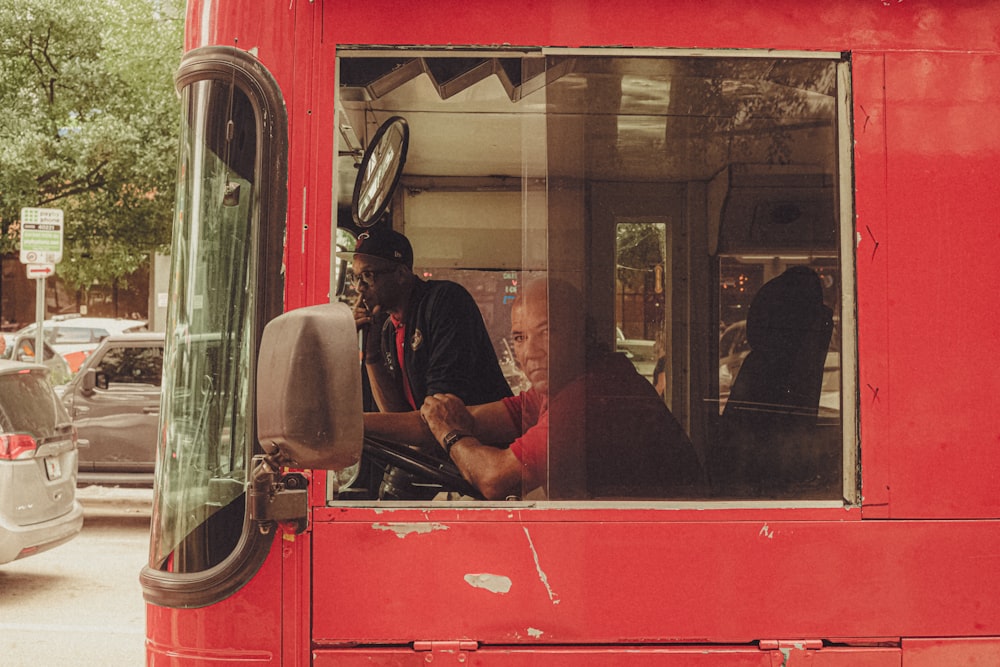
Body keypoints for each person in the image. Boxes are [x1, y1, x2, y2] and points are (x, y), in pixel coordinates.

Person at [365, 278, 705, 500]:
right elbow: (450, 420)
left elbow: (493, 478)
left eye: (547, 333)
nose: (531, 352)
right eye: (520, 338)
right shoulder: (554, 389)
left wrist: (452, 435)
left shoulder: (593, 395)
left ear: (583, 335)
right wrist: (350, 424)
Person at [349, 225, 512, 499]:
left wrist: (348, 424)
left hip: (480, 462)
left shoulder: (445, 302)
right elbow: (398, 415)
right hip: (444, 463)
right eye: (356, 278)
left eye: (368, 276)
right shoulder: (389, 328)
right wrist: (371, 353)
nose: (359, 288)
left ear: (401, 274)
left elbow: (436, 421)